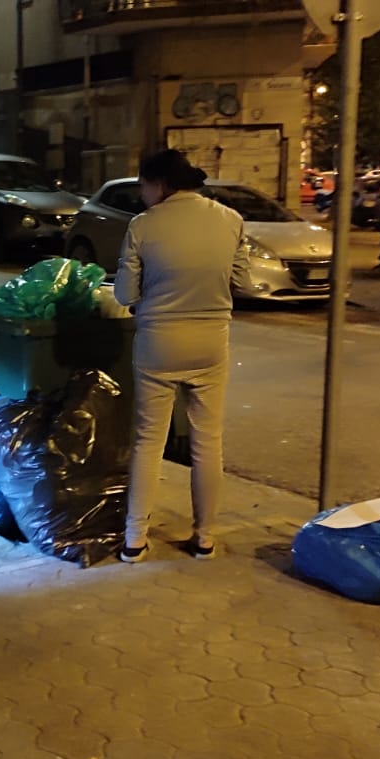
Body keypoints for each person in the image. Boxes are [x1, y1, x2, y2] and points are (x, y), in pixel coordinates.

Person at [113, 149, 251, 563]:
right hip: (211, 341)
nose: (140, 193)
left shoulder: (143, 226)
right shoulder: (230, 219)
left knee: (149, 440)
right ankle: (204, 538)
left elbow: (124, 294)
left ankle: (134, 540)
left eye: (142, 185)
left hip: (158, 342)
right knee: (207, 441)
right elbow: (242, 280)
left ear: (160, 184)